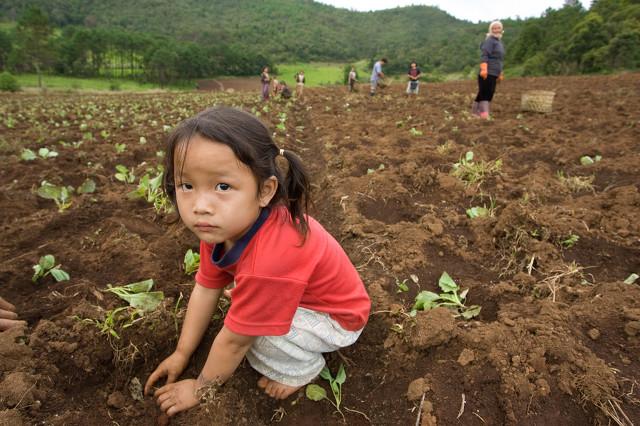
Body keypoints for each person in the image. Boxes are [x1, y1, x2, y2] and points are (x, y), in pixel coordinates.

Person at [145, 107, 371, 417]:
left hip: (336, 319)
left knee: (254, 338)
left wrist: (200, 387)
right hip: (301, 297)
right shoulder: (221, 227)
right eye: (186, 185)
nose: (200, 206)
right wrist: (181, 354)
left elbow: (235, 341)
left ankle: (303, 369)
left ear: (265, 191)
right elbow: (205, 288)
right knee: (245, 315)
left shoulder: (269, 259)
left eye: (222, 187)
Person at [472, 21, 505, 119]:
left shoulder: (499, 42)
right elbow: (485, 55)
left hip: (495, 71)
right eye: (494, 28)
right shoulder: (490, 40)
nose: (496, 30)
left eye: (498, 28)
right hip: (488, 71)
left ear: (501, 29)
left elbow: (499, 59)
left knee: (488, 92)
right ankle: (484, 114)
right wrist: (484, 68)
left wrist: (500, 72)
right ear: (490, 30)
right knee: (485, 92)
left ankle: (475, 113)